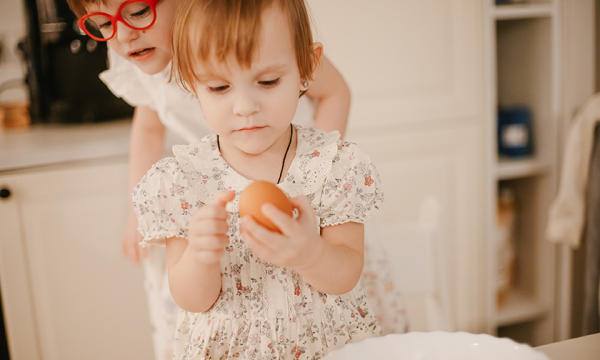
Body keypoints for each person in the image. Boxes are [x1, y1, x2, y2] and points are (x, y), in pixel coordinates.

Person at [67, 0, 407, 358]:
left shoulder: (338, 169)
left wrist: (311, 233)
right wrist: (199, 255)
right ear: (190, 81)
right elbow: (192, 299)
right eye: (218, 87)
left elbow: (345, 273)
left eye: (268, 81)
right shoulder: (181, 188)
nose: (245, 106)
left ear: (306, 66)